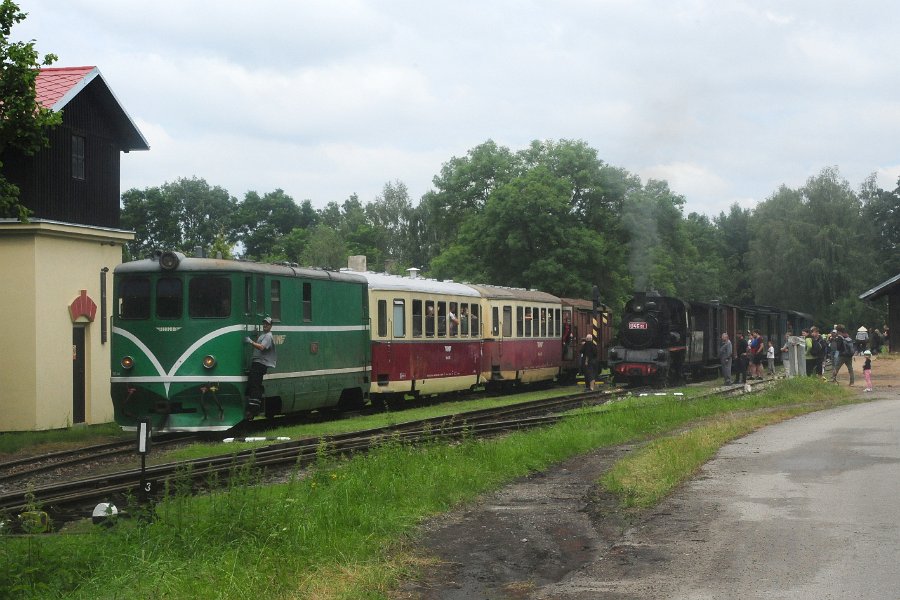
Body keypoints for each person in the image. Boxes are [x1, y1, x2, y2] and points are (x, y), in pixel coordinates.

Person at [244, 316, 277, 415]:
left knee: (255, 383)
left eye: (267, 324)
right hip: (257, 362)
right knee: (252, 382)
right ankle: (253, 406)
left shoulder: (268, 336)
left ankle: (254, 407)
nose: (265, 325)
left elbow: (262, 347)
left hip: (260, 363)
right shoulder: (263, 335)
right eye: (264, 323)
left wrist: (250, 341)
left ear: (271, 326)